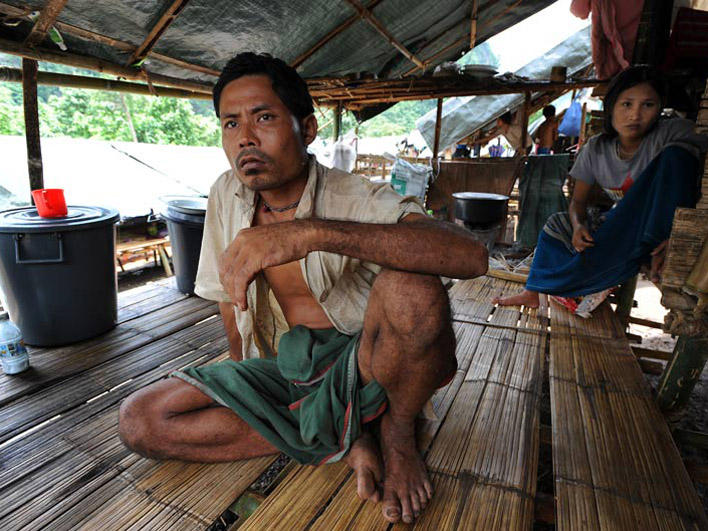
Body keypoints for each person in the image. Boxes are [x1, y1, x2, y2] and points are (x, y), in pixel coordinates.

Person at [118, 52, 488, 524]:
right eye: (230, 123)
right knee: (141, 420)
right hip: (283, 369)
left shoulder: (352, 196)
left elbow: (470, 255)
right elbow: (228, 305)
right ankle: (348, 435)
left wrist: (310, 233)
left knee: (411, 289)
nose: (245, 138)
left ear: (307, 129)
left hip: (368, 367)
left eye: (265, 117)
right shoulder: (224, 194)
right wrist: (245, 389)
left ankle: (395, 434)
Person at [494, 66, 707, 313]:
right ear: (612, 106)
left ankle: (590, 277)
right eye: (627, 104)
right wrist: (577, 227)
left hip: (660, 231)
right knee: (556, 225)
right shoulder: (596, 149)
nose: (635, 115)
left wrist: (678, 236)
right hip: (624, 228)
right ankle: (534, 291)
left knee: (677, 156)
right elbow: (577, 203)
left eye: (647, 105)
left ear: (660, 109)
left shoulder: (670, 133)